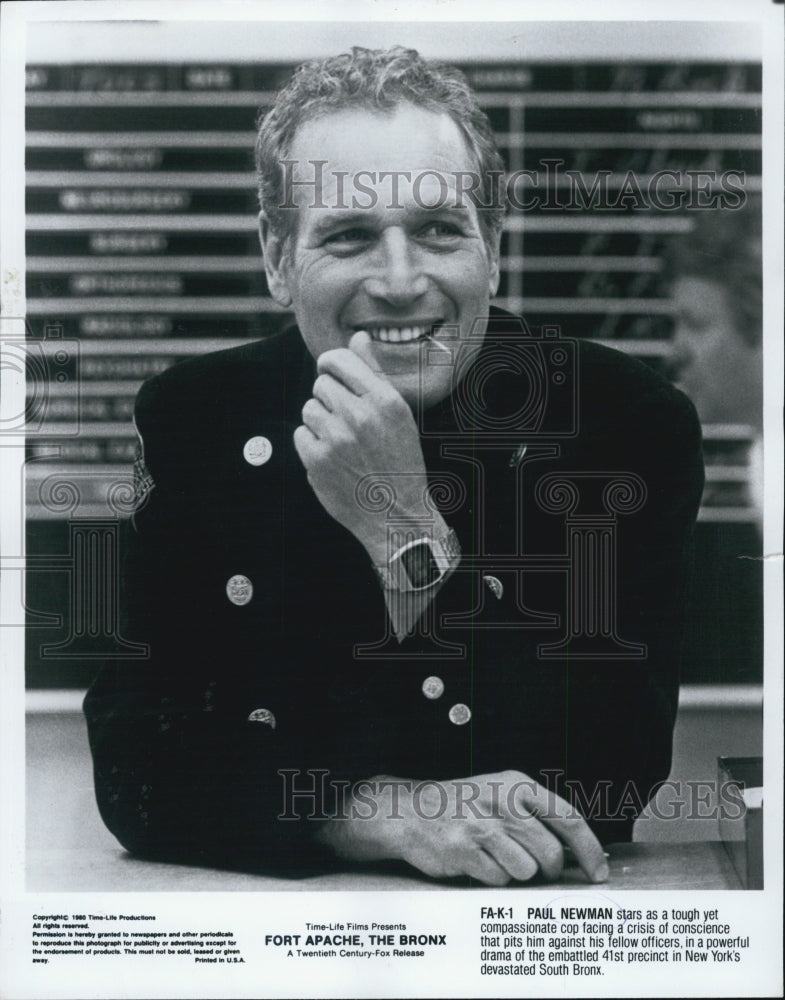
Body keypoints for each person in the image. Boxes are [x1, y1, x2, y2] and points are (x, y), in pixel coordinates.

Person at [84, 46, 704, 886]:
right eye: (347, 236)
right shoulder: (195, 417)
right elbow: (139, 771)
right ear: (277, 255)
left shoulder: (623, 424)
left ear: (492, 243)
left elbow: (602, 773)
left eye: (439, 230)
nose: (402, 281)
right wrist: (384, 812)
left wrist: (402, 527)